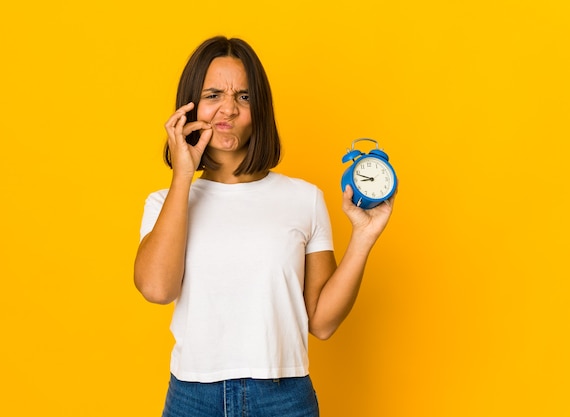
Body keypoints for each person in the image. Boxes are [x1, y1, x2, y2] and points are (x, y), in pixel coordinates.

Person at [134, 36, 395, 417]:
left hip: (285, 397)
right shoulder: (165, 202)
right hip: (194, 398)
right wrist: (182, 176)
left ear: (260, 109)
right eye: (213, 95)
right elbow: (157, 289)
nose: (228, 109)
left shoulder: (303, 198)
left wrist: (364, 237)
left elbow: (321, 323)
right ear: (189, 106)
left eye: (243, 97)